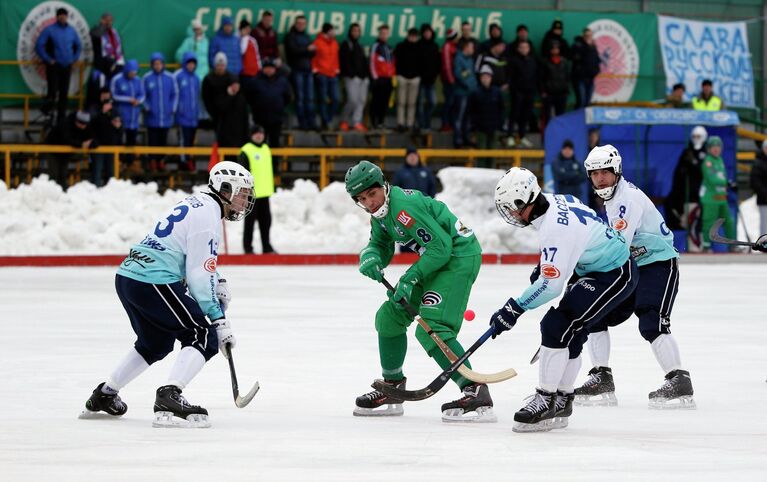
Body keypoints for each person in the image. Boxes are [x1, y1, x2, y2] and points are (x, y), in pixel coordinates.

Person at [80, 161, 254, 428]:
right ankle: (169, 395)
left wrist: (217, 278)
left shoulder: (198, 204)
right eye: (242, 194)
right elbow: (197, 275)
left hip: (129, 276)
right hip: (154, 281)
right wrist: (218, 320)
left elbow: (191, 256)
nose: (244, 202)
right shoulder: (208, 217)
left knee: (155, 343)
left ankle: (105, 394)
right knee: (203, 334)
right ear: (225, 189)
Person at [346, 160, 495, 423]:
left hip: (458, 257)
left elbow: (441, 247)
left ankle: (475, 390)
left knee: (432, 327)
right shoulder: (380, 214)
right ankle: (393, 387)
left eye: (372, 194)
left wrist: (410, 277)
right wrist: (370, 256)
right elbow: (380, 244)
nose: (369, 202)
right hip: (437, 259)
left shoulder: (404, 208)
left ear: (383, 186)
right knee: (389, 318)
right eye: (362, 199)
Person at [490, 167, 636, 432]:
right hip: (596, 268)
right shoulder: (556, 200)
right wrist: (547, 262)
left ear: (524, 203)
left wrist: (513, 308)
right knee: (572, 332)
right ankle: (563, 398)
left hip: (613, 273)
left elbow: (551, 286)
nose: (511, 214)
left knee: (557, 325)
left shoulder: (554, 229)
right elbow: (575, 236)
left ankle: (546, 399)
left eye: (511, 208)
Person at [575, 145, 695, 409]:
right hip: (634, 265)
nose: (600, 178)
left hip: (658, 263)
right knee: (596, 314)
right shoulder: (613, 198)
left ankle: (679, 380)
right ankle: (601, 378)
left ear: (617, 171)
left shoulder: (626, 199)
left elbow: (617, 245)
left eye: (605, 172)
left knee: (651, 320)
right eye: (594, 174)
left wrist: (581, 266)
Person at [35, 7, 82, 124]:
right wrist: (48, 59)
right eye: (60, 15)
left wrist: (74, 58)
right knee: (52, 92)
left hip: (67, 66)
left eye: (64, 15)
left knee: (64, 93)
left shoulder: (71, 30)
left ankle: (61, 120)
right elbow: (39, 46)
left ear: (67, 17)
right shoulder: (49, 30)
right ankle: (48, 114)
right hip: (54, 66)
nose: (63, 17)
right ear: (57, 17)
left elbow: (79, 46)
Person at [238, 125, 276, 254]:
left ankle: (266, 246)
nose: (259, 135)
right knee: (250, 223)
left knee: (266, 222)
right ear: (251, 135)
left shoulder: (266, 148)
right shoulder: (246, 150)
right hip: (251, 194)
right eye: (256, 133)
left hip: (265, 192)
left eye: (261, 133)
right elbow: (243, 172)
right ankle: (248, 248)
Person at [202, 53, 249, 150]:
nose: (220, 67)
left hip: (234, 123)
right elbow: (208, 100)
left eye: (222, 65)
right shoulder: (209, 79)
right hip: (219, 119)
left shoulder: (233, 81)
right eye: (218, 65)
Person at [664, 126, 708, 231]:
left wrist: (695, 164)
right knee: (670, 202)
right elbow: (679, 171)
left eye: (699, 136)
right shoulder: (687, 152)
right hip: (684, 189)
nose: (696, 139)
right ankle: (676, 225)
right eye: (694, 136)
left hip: (700, 190)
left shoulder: (706, 154)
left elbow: (705, 172)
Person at [143, 52, 178, 172]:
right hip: (152, 117)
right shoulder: (147, 78)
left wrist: (172, 108)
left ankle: (161, 161)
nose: (157, 66)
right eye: (155, 64)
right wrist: (147, 107)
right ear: (152, 65)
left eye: (159, 63)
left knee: (163, 141)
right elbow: (143, 95)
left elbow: (174, 94)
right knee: (153, 140)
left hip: (166, 117)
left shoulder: (170, 77)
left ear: (163, 64)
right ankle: (152, 161)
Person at [700, 136, 736, 251]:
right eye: (713, 147)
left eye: (718, 146)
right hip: (710, 198)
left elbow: (723, 177)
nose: (716, 149)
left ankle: (732, 245)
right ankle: (706, 246)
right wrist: (726, 182)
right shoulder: (708, 161)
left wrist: (728, 183)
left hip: (721, 198)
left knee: (728, 221)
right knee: (709, 222)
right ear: (709, 149)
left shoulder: (720, 160)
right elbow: (713, 179)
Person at [285, 15, 317, 130]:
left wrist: (306, 51)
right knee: (300, 98)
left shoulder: (307, 36)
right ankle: (302, 122)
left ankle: (311, 122)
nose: (301, 25)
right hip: (296, 70)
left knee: (309, 98)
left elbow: (313, 53)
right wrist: (306, 50)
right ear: (295, 23)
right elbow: (293, 51)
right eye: (299, 23)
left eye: (303, 23)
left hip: (307, 69)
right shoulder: (290, 36)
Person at [252, 58, 292, 148]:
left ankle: (275, 162)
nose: (269, 70)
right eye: (267, 67)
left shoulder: (282, 81)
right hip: (260, 119)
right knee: (259, 144)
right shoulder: (256, 80)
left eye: (271, 67)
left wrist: (279, 106)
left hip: (276, 119)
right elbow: (250, 96)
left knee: (275, 143)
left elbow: (288, 97)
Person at [110, 59, 143, 166]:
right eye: (131, 73)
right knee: (119, 139)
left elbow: (142, 94)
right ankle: (118, 162)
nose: (133, 75)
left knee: (131, 140)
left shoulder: (138, 80)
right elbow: (114, 95)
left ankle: (130, 162)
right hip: (121, 116)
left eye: (135, 73)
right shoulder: (117, 79)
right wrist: (128, 99)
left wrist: (138, 101)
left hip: (134, 116)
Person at [338, 23, 369, 132]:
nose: (356, 33)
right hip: (351, 77)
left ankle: (356, 122)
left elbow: (364, 62)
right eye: (354, 31)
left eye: (358, 31)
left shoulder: (359, 45)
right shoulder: (346, 44)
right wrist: (351, 74)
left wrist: (365, 76)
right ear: (350, 32)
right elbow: (344, 62)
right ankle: (344, 120)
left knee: (362, 101)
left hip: (362, 78)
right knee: (352, 100)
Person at [506, 40, 537, 148]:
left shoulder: (532, 61)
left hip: (529, 91)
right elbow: (510, 76)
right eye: (522, 47)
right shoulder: (513, 61)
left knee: (525, 114)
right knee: (514, 113)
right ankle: (509, 136)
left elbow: (535, 76)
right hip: (517, 92)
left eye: (526, 47)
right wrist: (514, 89)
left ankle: (522, 136)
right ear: (518, 49)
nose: (524, 49)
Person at [174, 52, 201, 171]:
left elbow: (197, 97)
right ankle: (183, 161)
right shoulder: (178, 76)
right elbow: (174, 94)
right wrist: (178, 110)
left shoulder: (196, 78)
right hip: (182, 115)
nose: (191, 66)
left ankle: (190, 160)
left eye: (193, 64)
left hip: (193, 116)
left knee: (191, 140)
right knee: (183, 140)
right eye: (189, 63)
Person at [312, 23, 340, 130]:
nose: (334, 33)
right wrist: (315, 70)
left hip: (332, 74)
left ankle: (328, 119)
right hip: (322, 74)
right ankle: (324, 121)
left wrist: (337, 69)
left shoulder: (335, 43)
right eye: (332, 31)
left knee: (336, 99)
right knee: (322, 99)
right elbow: (313, 58)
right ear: (327, 32)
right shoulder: (317, 42)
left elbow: (335, 58)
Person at [470, 65, 503, 152]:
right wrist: (473, 129)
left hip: (494, 127)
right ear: (480, 78)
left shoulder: (497, 92)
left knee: (493, 154)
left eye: (487, 76)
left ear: (491, 78)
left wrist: (500, 125)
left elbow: (501, 109)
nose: (485, 79)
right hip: (480, 128)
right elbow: (472, 112)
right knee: (481, 153)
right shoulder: (475, 93)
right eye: (483, 77)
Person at [393, 28, 421, 132]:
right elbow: (395, 61)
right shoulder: (401, 46)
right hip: (402, 77)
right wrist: (398, 74)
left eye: (415, 36)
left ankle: (410, 124)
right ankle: (400, 123)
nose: (413, 38)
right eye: (411, 36)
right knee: (401, 102)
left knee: (412, 103)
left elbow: (423, 63)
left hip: (415, 79)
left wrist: (418, 75)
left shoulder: (419, 47)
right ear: (408, 36)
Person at [369, 25, 395, 130]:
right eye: (382, 33)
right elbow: (371, 62)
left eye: (386, 33)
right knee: (376, 101)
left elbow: (392, 63)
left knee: (385, 102)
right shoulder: (376, 46)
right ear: (379, 34)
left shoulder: (389, 48)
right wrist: (375, 77)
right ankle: (373, 123)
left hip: (388, 79)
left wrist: (392, 76)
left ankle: (381, 122)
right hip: (378, 79)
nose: (384, 35)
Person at [92, 95, 122, 186]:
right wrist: (103, 113)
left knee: (111, 173)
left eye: (110, 104)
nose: (108, 106)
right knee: (97, 171)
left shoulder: (115, 115)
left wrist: (118, 127)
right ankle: (95, 189)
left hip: (112, 148)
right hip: (99, 147)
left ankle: (111, 192)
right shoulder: (97, 114)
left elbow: (120, 132)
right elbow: (93, 127)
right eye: (107, 104)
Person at [452, 39, 477, 148]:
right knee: (459, 117)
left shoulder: (470, 60)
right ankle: (458, 139)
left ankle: (466, 138)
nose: (473, 49)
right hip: (461, 92)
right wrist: (467, 85)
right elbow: (459, 74)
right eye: (471, 47)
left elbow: (471, 75)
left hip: (470, 92)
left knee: (467, 118)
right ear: (466, 47)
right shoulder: (459, 58)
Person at [539, 42, 570, 128]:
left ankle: (560, 133)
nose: (555, 50)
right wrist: (543, 91)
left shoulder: (564, 61)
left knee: (561, 115)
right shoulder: (544, 62)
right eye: (553, 49)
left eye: (557, 48)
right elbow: (541, 78)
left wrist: (566, 89)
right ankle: (548, 133)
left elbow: (567, 77)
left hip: (562, 92)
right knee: (547, 116)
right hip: (549, 93)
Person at [416, 24, 440, 132]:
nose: (427, 34)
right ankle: (421, 125)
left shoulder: (435, 46)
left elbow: (437, 63)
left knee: (433, 102)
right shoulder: (419, 45)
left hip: (431, 80)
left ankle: (427, 122)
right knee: (419, 104)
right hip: (420, 80)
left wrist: (434, 75)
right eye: (425, 32)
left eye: (429, 32)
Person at [239, 19, 262, 122]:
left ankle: (255, 121)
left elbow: (257, 56)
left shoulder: (253, 40)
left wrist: (260, 69)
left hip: (255, 74)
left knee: (255, 100)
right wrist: (244, 37)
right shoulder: (239, 39)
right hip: (245, 75)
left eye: (249, 28)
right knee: (244, 100)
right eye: (246, 29)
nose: (248, 30)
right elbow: (242, 51)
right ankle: (245, 120)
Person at [571, 28, 600, 109]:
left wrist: (596, 71)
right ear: (583, 36)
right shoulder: (577, 45)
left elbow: (597, 60)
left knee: (588, 103)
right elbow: (576, 58)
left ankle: (584, 121)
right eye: (587, 35)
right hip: (580, 79)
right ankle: (576, 120)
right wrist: (587, 46)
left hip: (590, 78)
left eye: (590, 35)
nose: (588, 37)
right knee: (581, 101)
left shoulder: (593, 47)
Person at [90, 12, 124, 80]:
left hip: (116, 64)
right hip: (103, 67)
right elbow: (96, 35)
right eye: (106, 20)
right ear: (101, 20)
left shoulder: (114, 32)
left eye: (110, 20)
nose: (109, 22)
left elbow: (119, 47)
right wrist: (103, 25)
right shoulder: (96, 30)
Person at [439, 29, 459, 132]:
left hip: (453, 79)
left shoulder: (453, 46)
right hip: (449, 80)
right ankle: (445, 124)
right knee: (448, 103)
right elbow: (447, 65)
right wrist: (451, 79)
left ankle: (450, 123)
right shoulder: (447, 46)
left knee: (453, 103)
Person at [751, 140, 767, 236]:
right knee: (765, 222)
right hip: (764, 198)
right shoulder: (758, 163)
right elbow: (755, 181)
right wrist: (765, 193)